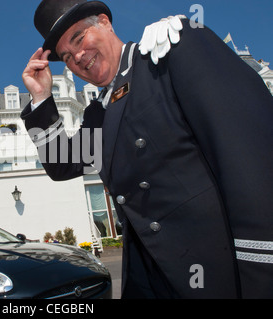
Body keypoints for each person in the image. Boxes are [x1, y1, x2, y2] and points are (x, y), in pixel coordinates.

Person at [21, 0, 273, 299]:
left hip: (217, 276)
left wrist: (261, 271)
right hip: (149, 280)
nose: (77, 56)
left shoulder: (170, 49)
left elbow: (247, 158)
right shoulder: (97, 114)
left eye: (79, 38)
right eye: (66, 56)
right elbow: (61, 164)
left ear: (104, 22)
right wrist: (41, 99)